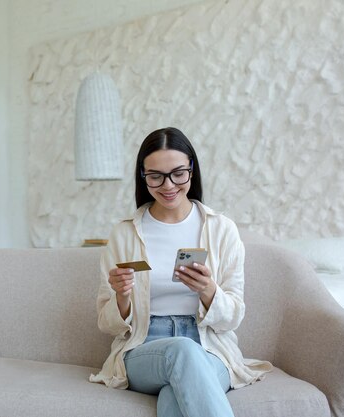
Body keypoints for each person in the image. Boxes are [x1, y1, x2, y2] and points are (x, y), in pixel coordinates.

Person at [89, 127, 272, 417]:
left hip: (210, 348)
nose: (168, 185)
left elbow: (234, 316)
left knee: (174, 394)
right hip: (144, 347)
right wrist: (122, 297)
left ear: (191, 170)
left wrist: (209, 291)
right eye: (155, 176)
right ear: (142, 176)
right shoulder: (124, 234)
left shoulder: (222, 229)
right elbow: (107, 324)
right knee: (182, 352)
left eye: (178, 173)